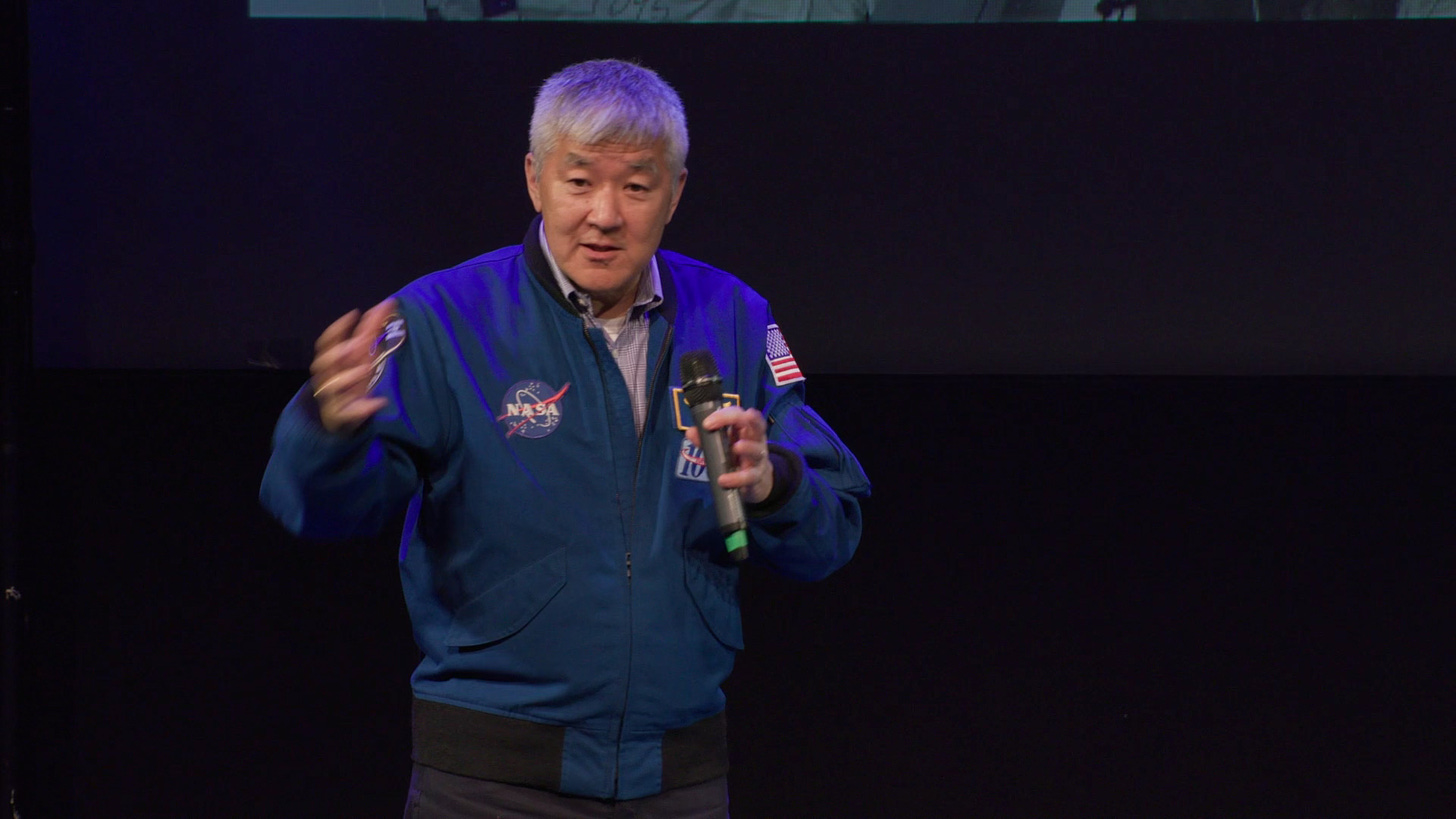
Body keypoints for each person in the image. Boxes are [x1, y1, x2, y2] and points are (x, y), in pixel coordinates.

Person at [260, 59, 869, 817]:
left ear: (675, 192)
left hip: (677, 777)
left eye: (637, 186)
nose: (605, 214)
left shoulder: (735, 316)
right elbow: (316, 509)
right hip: (486, 782)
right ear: (534, 180)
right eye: (579, 182)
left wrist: (777, 480)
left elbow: (833, 529)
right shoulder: (446, 317)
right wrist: (328, 430)